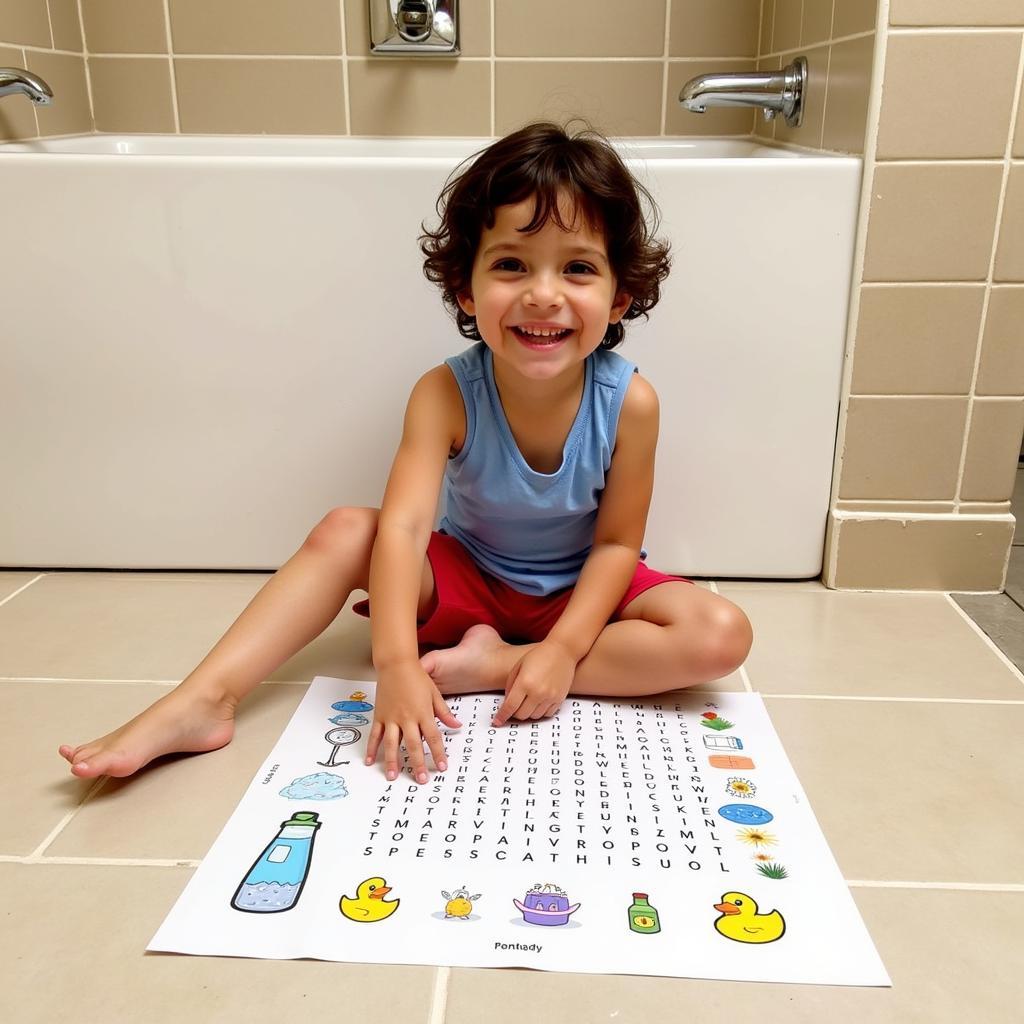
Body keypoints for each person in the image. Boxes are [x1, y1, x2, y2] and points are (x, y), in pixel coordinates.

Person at [59, 121, 753, 788]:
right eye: (511, 264)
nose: (543, 294)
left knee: (720, 634)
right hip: (468, 581)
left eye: (577, 269)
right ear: (465, 288)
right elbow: (404, 530)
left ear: (620, 295)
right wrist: (394, 664)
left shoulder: (630, 402)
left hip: (580, 596)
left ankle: (495, 662)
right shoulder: (444, 393)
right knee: (344, 530)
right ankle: (206, 699)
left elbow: (615, 546)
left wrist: (560, 652)